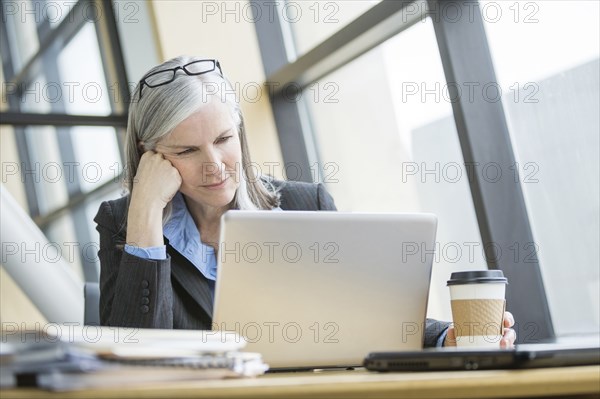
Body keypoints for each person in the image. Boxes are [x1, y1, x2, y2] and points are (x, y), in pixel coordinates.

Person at [94, 55, 516, 348]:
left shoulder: (303, 203)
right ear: (151, 156)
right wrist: (146, 215)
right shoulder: (122, 222)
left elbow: (364, 316)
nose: (214, 166)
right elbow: (132, 349)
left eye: (224, 140)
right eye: (186, 151)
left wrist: (446, 337)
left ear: (238, 132)